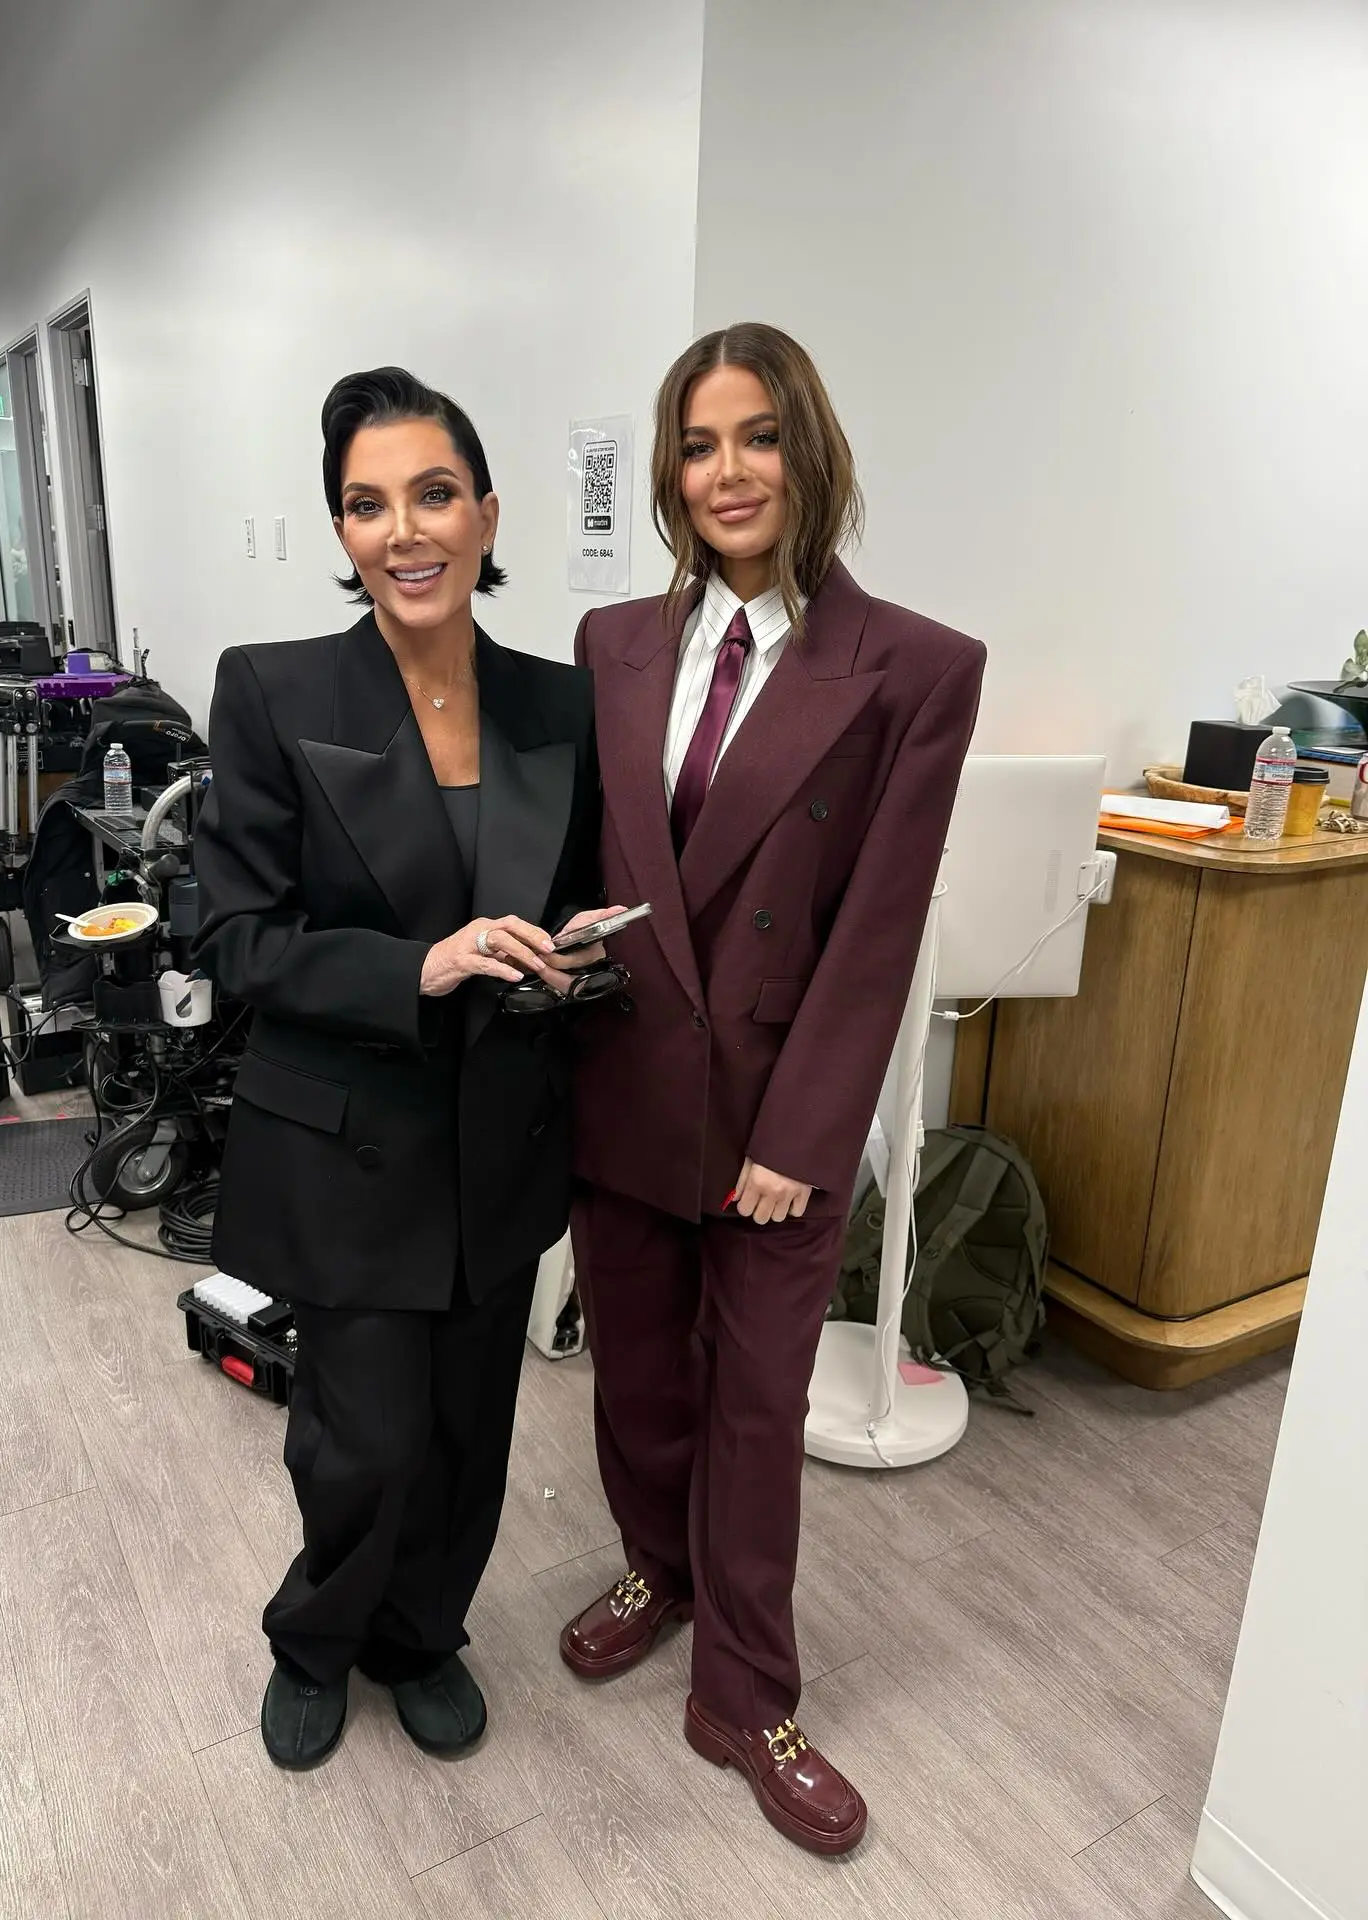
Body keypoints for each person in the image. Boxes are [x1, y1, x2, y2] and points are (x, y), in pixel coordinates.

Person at [561, 323, 986, 1854]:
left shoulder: (917, 669)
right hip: (621, 1089)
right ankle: (655, 1573)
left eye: (758, 437)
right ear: (671, 472)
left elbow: (875, 935)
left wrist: (806, 1141)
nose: (727, 470)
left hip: (773, 1131)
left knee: (754, 1411)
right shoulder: (613, 644)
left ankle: (748, 1690)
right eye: (697, 442)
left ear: (810, 452)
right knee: (641, 1386)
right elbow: (590, 869)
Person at [193, 368, 614, 1772]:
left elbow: (584, 898)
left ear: (488, 515)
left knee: (467, 1435)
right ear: (344, 529)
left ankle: (421, 1633)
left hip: (500, 1135)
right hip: (350, 1142)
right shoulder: (274, 689)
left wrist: (579, 953)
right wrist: (415, 966)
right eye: (366, 503)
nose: (404, 529)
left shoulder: (563, 705)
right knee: (359, 1440)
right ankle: (316, 1637)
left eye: (434, 493)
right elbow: (236, 937)